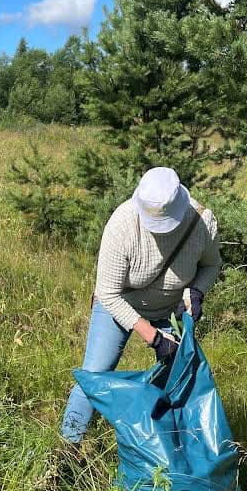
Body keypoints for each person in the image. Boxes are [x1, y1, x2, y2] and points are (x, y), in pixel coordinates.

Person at [57, 166, 222, 448]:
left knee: (181, 379)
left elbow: (211, 265)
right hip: (119, 305)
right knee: (95, 375)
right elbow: (108, 293)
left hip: (168, 309)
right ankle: (67, 448)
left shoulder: (202, 222)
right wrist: (154, 337)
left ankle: (171, 448)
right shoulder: (122, 225)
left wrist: (196, 292)